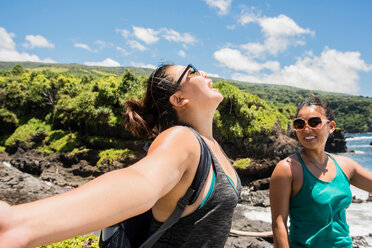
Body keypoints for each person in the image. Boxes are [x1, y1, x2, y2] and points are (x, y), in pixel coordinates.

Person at [0, 64, 241, 248]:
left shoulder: (213, 147)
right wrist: (19, 225)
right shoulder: (181, 139)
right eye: (193, 72)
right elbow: (141, 181)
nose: (204, 73)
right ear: (178, 99)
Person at [269, 95, 372, 247]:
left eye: (314, 122)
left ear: (331, 127)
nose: (306, 129)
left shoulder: (346, 165)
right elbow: (279, 224)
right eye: (299, 124)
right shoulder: (288, 169)